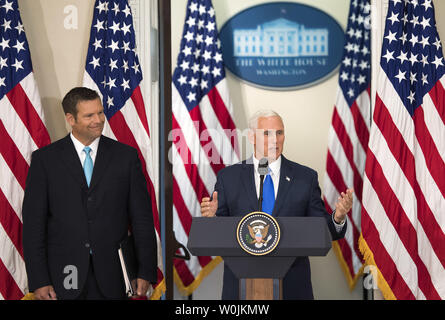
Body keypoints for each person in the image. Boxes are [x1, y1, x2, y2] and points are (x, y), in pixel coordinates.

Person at [201, 110, 353, 300]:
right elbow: (218, 236)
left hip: (293, 286)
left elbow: (323, 230)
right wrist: (213, 219)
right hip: (241, 288)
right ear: (251, 137)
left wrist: (337, 217)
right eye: (267, 134)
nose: (275, 140)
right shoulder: (229, 177)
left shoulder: (305, 178)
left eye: (279, 133)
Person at [22, 87, 157, 300]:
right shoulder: (45, 161)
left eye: (100, 112)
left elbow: (142, 220)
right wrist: (39, 280)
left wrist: (145, 271)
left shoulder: (126, 157)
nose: (99, 120)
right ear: (70, 119)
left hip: (115, 275)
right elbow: (33, 226)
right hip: (64, 275)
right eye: (89, 115)